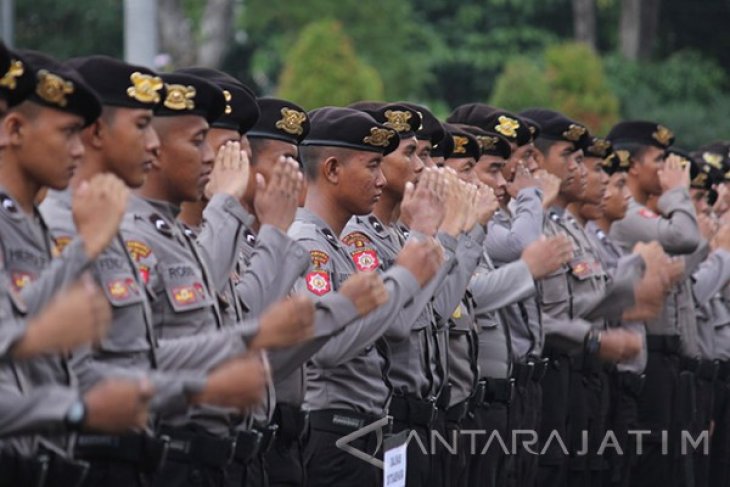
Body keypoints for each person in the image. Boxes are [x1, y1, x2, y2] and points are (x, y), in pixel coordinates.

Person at [290, 106, 444, 486]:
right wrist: (404, 278)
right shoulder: (309, 246)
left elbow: (397, 322)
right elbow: (327, 348)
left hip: (364, 428)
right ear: (332, 170)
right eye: (372, 165)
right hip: (336, 430)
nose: (381, 179)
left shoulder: (334, 244)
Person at [607, 121, 702, 487]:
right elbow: (686, 237)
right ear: (632, 165)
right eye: (659, 160)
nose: (667, 170)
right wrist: (679, 193)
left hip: (662, 352)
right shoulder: (628, 214)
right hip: (645, 349)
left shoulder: (642, 214)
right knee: (652, 465)